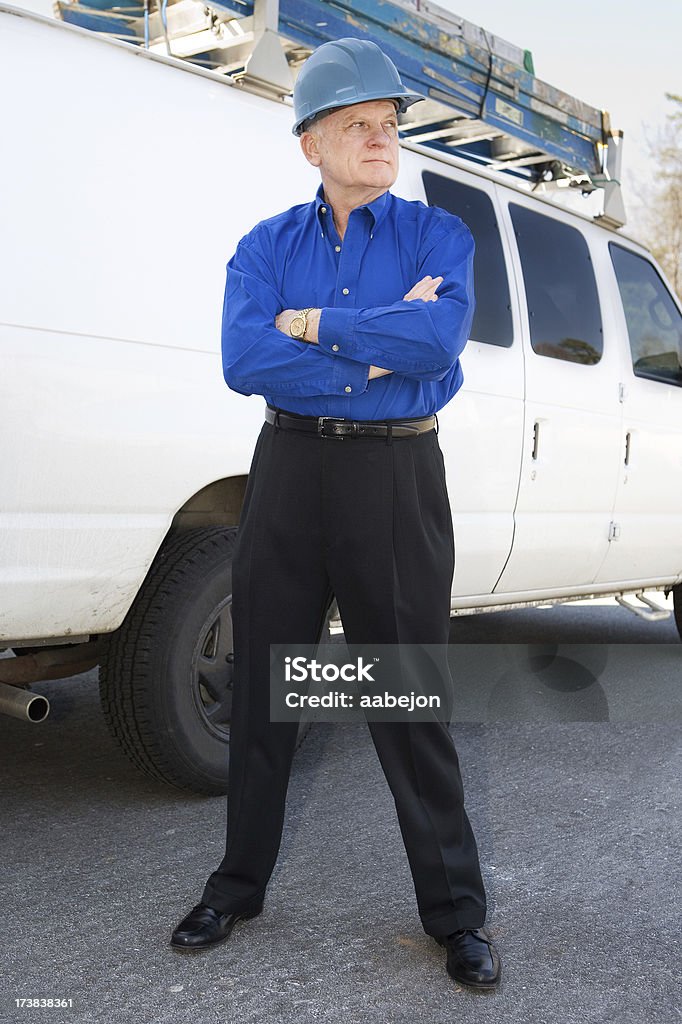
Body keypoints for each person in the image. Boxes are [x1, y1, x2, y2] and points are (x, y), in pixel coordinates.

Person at [170, 36, 501, 990]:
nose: (379, 139)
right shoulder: (265, 245)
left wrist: (313, 327)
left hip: (393, 483)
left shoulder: (439, 239)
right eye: (355, 125)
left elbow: (437, 341)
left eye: (388, 125)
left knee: (402, 698)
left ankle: (457, 917)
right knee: (265, 689)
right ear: (309, 144)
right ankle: (236, 886)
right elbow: (245, 361)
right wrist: (377, 347)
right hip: (288, 471)